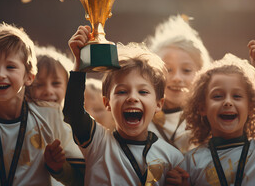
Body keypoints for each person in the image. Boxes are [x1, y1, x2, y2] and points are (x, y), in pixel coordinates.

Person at [46, 25, 184, 185]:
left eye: (143, 92)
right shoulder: (98, 143)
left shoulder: (174, 158)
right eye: (122, 91)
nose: (132, 98)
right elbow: (73, 113)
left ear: (158, 104)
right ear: (107, 102)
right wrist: (80, 63)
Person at [0, 23, 81, 186]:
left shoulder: (52, 116)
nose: (0, 75)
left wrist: (58, 168)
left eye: (10, 67)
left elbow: (80, 177)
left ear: (29, 76)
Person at [167, 40, 255, 185]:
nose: (228, 102)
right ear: (202, 108)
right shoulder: (190, 162)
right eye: (218, 96)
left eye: (237, 96)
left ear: (251, 107)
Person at [145, 15, 211, 154]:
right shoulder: (140, 115)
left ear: (201, 74)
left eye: (186, 70)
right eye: (168, 69)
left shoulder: (210, 119)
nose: (176, 78)